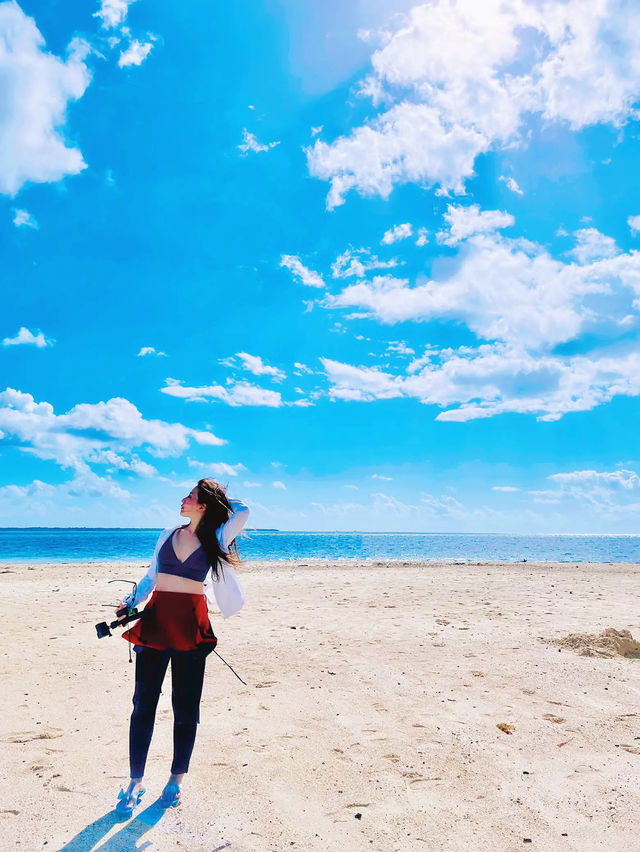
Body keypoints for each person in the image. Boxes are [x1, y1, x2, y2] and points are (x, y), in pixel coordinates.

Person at [114, 479, 250, 815]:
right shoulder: (167, 534)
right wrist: (130, 602)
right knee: (142, 704)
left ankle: (175, 779)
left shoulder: (216, 538)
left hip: (191, 626)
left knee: (185, 707)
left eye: (191, 496)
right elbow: (150, 577)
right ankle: (135, 781)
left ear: (203, 505)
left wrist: (216, 498)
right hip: (156, 621)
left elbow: (243, 510)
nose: (183, 499)